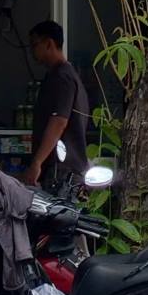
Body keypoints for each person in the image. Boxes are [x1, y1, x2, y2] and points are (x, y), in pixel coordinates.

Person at [22, 21, 89, 189]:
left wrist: (37, 162)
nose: (32, 51)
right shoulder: (64, 75)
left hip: (61, 172)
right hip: (62, 170)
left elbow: (59, 121)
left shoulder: (62, 77)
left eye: (34, 45)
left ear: (49, 44)